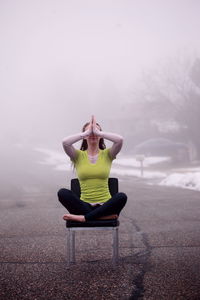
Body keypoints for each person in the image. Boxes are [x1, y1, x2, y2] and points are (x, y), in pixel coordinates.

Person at [57, 115, 127, 222]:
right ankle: (101, 217)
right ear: (84, 136)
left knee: (121, 197)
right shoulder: (78, 155)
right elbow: (65, 143)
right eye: (90, 132)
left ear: (101, 136)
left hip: (105, 206)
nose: (93, 134)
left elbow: (120, 140)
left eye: (96, 132)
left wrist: (99, 132)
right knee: (62, 193)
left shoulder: (108, 154)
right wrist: (85, 133)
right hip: (84, 206)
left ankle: (85, 218)